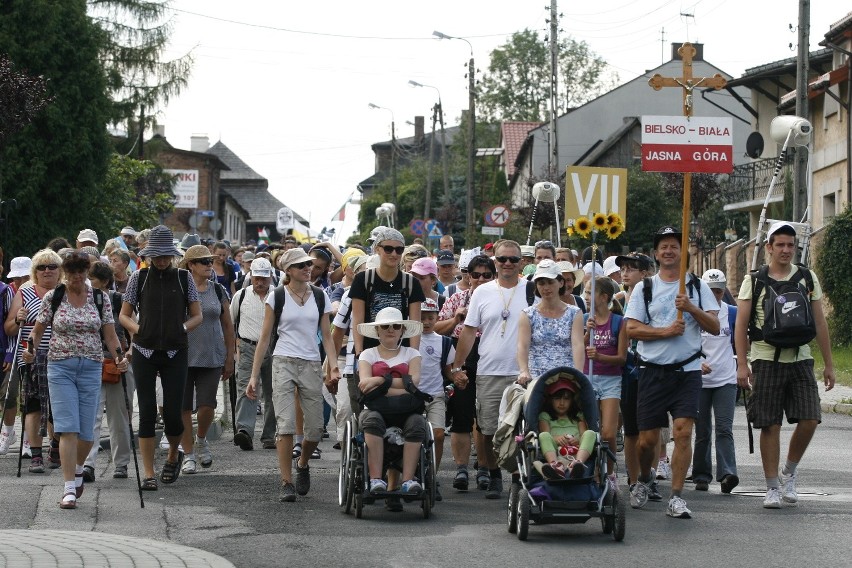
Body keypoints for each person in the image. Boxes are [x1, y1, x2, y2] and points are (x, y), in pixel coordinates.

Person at [734, 221, 834, 509]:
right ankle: (772, 487)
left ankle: (788, 471)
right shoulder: (754, 280)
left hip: (801, 358)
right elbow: (741, 325)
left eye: (791, 245)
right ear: (769, 247)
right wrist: (743, 364)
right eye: (780, 244)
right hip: (766, 359)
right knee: (770, 424)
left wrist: (829, 364)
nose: (786, 250)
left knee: (810, 418)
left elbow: (819, 321)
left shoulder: (806, 277)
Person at [624, 226, 719, 519]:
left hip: (687, 371)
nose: (669, 251)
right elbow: (631, 328)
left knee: (683, 432)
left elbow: (714, 327)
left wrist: (690, 308)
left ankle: (677, 497)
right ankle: (643, 479)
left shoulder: (697, 287)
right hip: (652, 371)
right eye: (663, 246)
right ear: (656, 253)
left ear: (683, 252)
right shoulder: (645, 287)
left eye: (674, 246)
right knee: (647, 441)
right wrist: (666, 331)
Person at [24, 250, 128, 509]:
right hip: (60, 367)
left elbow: (110, 335)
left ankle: (79, 468)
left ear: (87, 274)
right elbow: (37, 331)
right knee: (67, 428)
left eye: (81, 273)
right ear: (64, 274)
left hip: (92, 367)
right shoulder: (54, 297)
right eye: (71, 274)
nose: (77, 278)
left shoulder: (100, 298)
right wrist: (30, 350)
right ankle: (69, 487)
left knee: (87, 433)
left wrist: (120, 357)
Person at [246, 247, 339, 503]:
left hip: (310, 363)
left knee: (316, 430)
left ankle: (303, 462)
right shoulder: (276, 296)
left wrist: (333, 365)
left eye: (309, 264)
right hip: (283, 361)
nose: (307, 268)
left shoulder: (320, 296)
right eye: (301, 266)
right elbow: (265, 338)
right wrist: (253, 376)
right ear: (288, 271)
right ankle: (286, 482)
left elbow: (327, 335)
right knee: (285, 425)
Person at [119, 225, 203, 491]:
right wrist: (138, 329)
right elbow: (123, 314)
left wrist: (182, 327)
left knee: (175, 415)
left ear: (174, 256)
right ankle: (148, 473)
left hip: (176, 351)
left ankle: (172, 455)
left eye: (167, 255)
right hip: (145, 351)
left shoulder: (183, 277)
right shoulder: (139, 278)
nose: (162, 260)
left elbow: (197, 315)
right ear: (148, 255)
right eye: (157, 255)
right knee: (145, 413)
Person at [451, 239, 530, 499]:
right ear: (494, 261)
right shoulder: (482, 293)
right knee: (487, 429)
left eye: (513, 259)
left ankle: (520, 477)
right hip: (489, 369)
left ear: (521, 263)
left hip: (524, 371)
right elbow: (469, 331)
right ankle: (494, 474)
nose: (508, 263)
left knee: (525, 428)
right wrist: (458, 366)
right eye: (503, 259)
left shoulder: (532, 291)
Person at [436, 254, 494, 493]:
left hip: (490, 357)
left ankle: (483, 468)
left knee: (485, 419)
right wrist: (455, 318)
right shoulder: (456, 298)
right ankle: (461, 468)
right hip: (460, 354)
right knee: (461, 415)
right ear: (468, 276)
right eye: (475, 274)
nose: (480, 279)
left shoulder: (498, 300)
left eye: (486, 275)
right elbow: (436, 329)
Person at [357, 307, 427, 497]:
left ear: (402, 331)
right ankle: (375, 479)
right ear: (377, 330)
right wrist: (399, 384)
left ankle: (408, 479)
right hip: (375, 409)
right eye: (385, 326)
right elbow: (364, 385)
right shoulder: (367, 354)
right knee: (372, 421)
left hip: (405, 410)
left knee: (418, 424)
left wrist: (379, 380)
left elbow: (414, 382)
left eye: (396, 326)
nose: (390, 329)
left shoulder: (412, 354)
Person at [4, 249, 63, 471]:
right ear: (34, 272)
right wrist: (18, 319)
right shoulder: (25, 293)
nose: (47, 271)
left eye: (52, 267)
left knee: (57, 406)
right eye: (41, 267)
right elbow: (9, 328)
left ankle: (55, 446)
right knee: (33, 406)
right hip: (30, 356)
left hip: (60, 356)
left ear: (60, 271)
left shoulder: (65, 292)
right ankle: (36, 454)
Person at [179, 245, 235, 474]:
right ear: (191, 265)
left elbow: (228, 325)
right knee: (182, 407)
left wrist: (230, 356)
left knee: (207, 405)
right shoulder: (181, 289)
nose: (209, 265)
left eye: (210, 261)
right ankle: (189, 453)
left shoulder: (218, 290)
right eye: (203, 262)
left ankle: (201, 439)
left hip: (212, 355)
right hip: (183, 356)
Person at [81, 262, 133, 481]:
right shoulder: (80, 300)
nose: (86, 282)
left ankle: (121, 463)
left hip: (117, 364)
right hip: (91, 364)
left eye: (90, 278)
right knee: (91, 417)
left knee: (119, 416)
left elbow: (134, 330)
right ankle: (87, 464)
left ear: (103, 281)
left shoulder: (119, 300)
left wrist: (128, 355)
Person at [613, 251, 658, 496]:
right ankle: (633, 480)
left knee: (650, 428)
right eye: (623, 268)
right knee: (631, 428)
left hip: (651, 365)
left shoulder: (654, 296)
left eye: (631, 268)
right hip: (628, 367)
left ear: (645, 273)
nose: (625, 272)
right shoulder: (617, 300)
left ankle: (648, 478)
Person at [692, 268, 739, 494]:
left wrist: (743, 369)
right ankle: (701, 475)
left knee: (724, 427)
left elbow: (740, 343)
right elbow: (687, 342)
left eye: (719, 291)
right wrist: (696, 362)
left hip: (726, 379)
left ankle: (728, 473)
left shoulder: (732, 313)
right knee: (702, 430)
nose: (715, 295)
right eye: (711, 291)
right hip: (699, 380)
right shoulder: (696, 313)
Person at [582, 277, 627, 488]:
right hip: (587, 378)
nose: (586, 296)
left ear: (604, 297)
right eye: (585, 292)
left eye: (590, 292)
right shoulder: (583, 319)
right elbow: (576, 349)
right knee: (589, 431)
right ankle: (592, 471)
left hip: (610, 379)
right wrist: (587, 331)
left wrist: (600, 358)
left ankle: (610, 473)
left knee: (608, 432)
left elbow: (622, 358)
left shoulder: (619, 322)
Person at [231, 258, 276, 451]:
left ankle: (269, 435)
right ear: (251, 276)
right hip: (248, 347)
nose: (260, 282)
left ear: (271, 278)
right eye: (257, 278)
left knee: (273, 391)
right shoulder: (241, 296)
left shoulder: (278, 295)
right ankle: (245, 431)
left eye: (264, 278)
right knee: (246, 388)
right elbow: (232, 323)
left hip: (274, 347)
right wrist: (235, 349)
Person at [517, 260, 584, 381]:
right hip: (536, 379)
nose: (546, 288)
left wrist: (579, 375)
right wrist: (524, 371)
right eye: (541, 283)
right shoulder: (527, 314)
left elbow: (577, 345)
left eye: (550, 282)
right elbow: (523, 345)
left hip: (566, 378)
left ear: (561, 282)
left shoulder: (575, 313)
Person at [417, 297, 454, 500]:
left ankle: (432, 474)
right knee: (410, 436)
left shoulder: (444, 342)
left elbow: (449, 371)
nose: (426, 322)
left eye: (430, 317)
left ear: (437, 317)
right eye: (422, 317)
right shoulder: (408, 339)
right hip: (412, 396)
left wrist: (458, 376)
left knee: (438, 435)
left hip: (436, 395)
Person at [536, 377, 597, 480]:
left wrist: (577, 440)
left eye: (566, 398)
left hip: (578, 450)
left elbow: (583, 434)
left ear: (572, 400)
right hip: (555, 450)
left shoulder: (578, 415)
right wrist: (557, 438)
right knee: (543, 435)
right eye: (557, 398)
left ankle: (577, 464)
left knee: (590, 433)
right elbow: (545, 432)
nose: (562, 403)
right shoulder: (545, 416)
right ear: (550, 399)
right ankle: (555, 466)